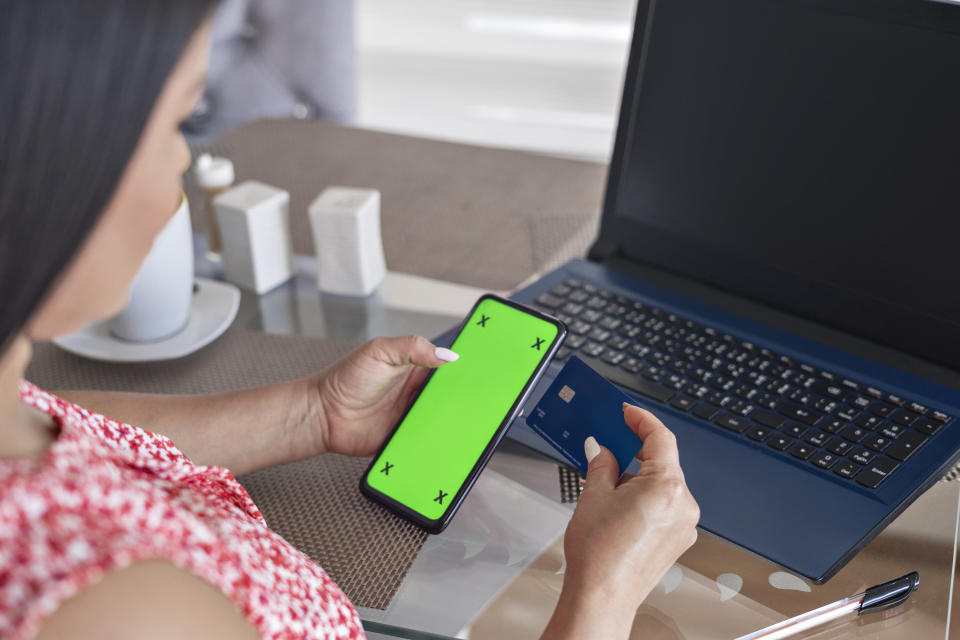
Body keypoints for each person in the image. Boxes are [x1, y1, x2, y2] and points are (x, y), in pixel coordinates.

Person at [0, 2, 700, 639]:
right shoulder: (113, 611)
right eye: (180, 122)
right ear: (48, 157)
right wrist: (604, 591)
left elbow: (65, 431)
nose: (188, 160)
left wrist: (311, 412)